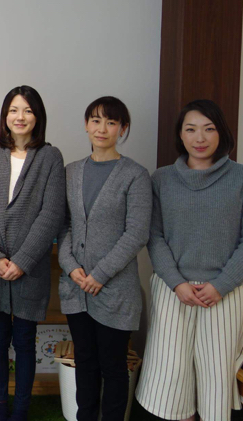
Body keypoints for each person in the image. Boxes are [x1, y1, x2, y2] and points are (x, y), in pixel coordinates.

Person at [136, 99, 243, 421]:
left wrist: (222, 284)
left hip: (226, 291)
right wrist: (177, 283)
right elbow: (154, 236)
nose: (200, 138)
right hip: (173, 289)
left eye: (209, 129)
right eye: (191, 129)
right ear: (180, 135)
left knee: (217, 374)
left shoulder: (240, 177)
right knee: (170, 376)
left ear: (221, 133)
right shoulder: (161, 179)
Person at [0, 85, 65, 421]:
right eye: (14, 110)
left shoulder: (50, 157)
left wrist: (22, 261)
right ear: (5, 116)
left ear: (37, 116)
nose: (20, 116)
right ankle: (0, 408)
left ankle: (21, 411)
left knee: (25, 341)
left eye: (27, 110)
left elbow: (52, 214)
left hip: (31, 268)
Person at [58, 96, 151, 421]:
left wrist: (99, 274)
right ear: (86, 125)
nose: (102, 128)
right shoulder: (71, 172)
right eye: (96, 120)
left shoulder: (135, 175)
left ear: (122, 129)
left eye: (111, 122)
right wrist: (72, 267)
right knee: (85, 361)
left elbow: (137, 233)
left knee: (113, 366)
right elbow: (64, 226)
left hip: (116, 292)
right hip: (76, 289)